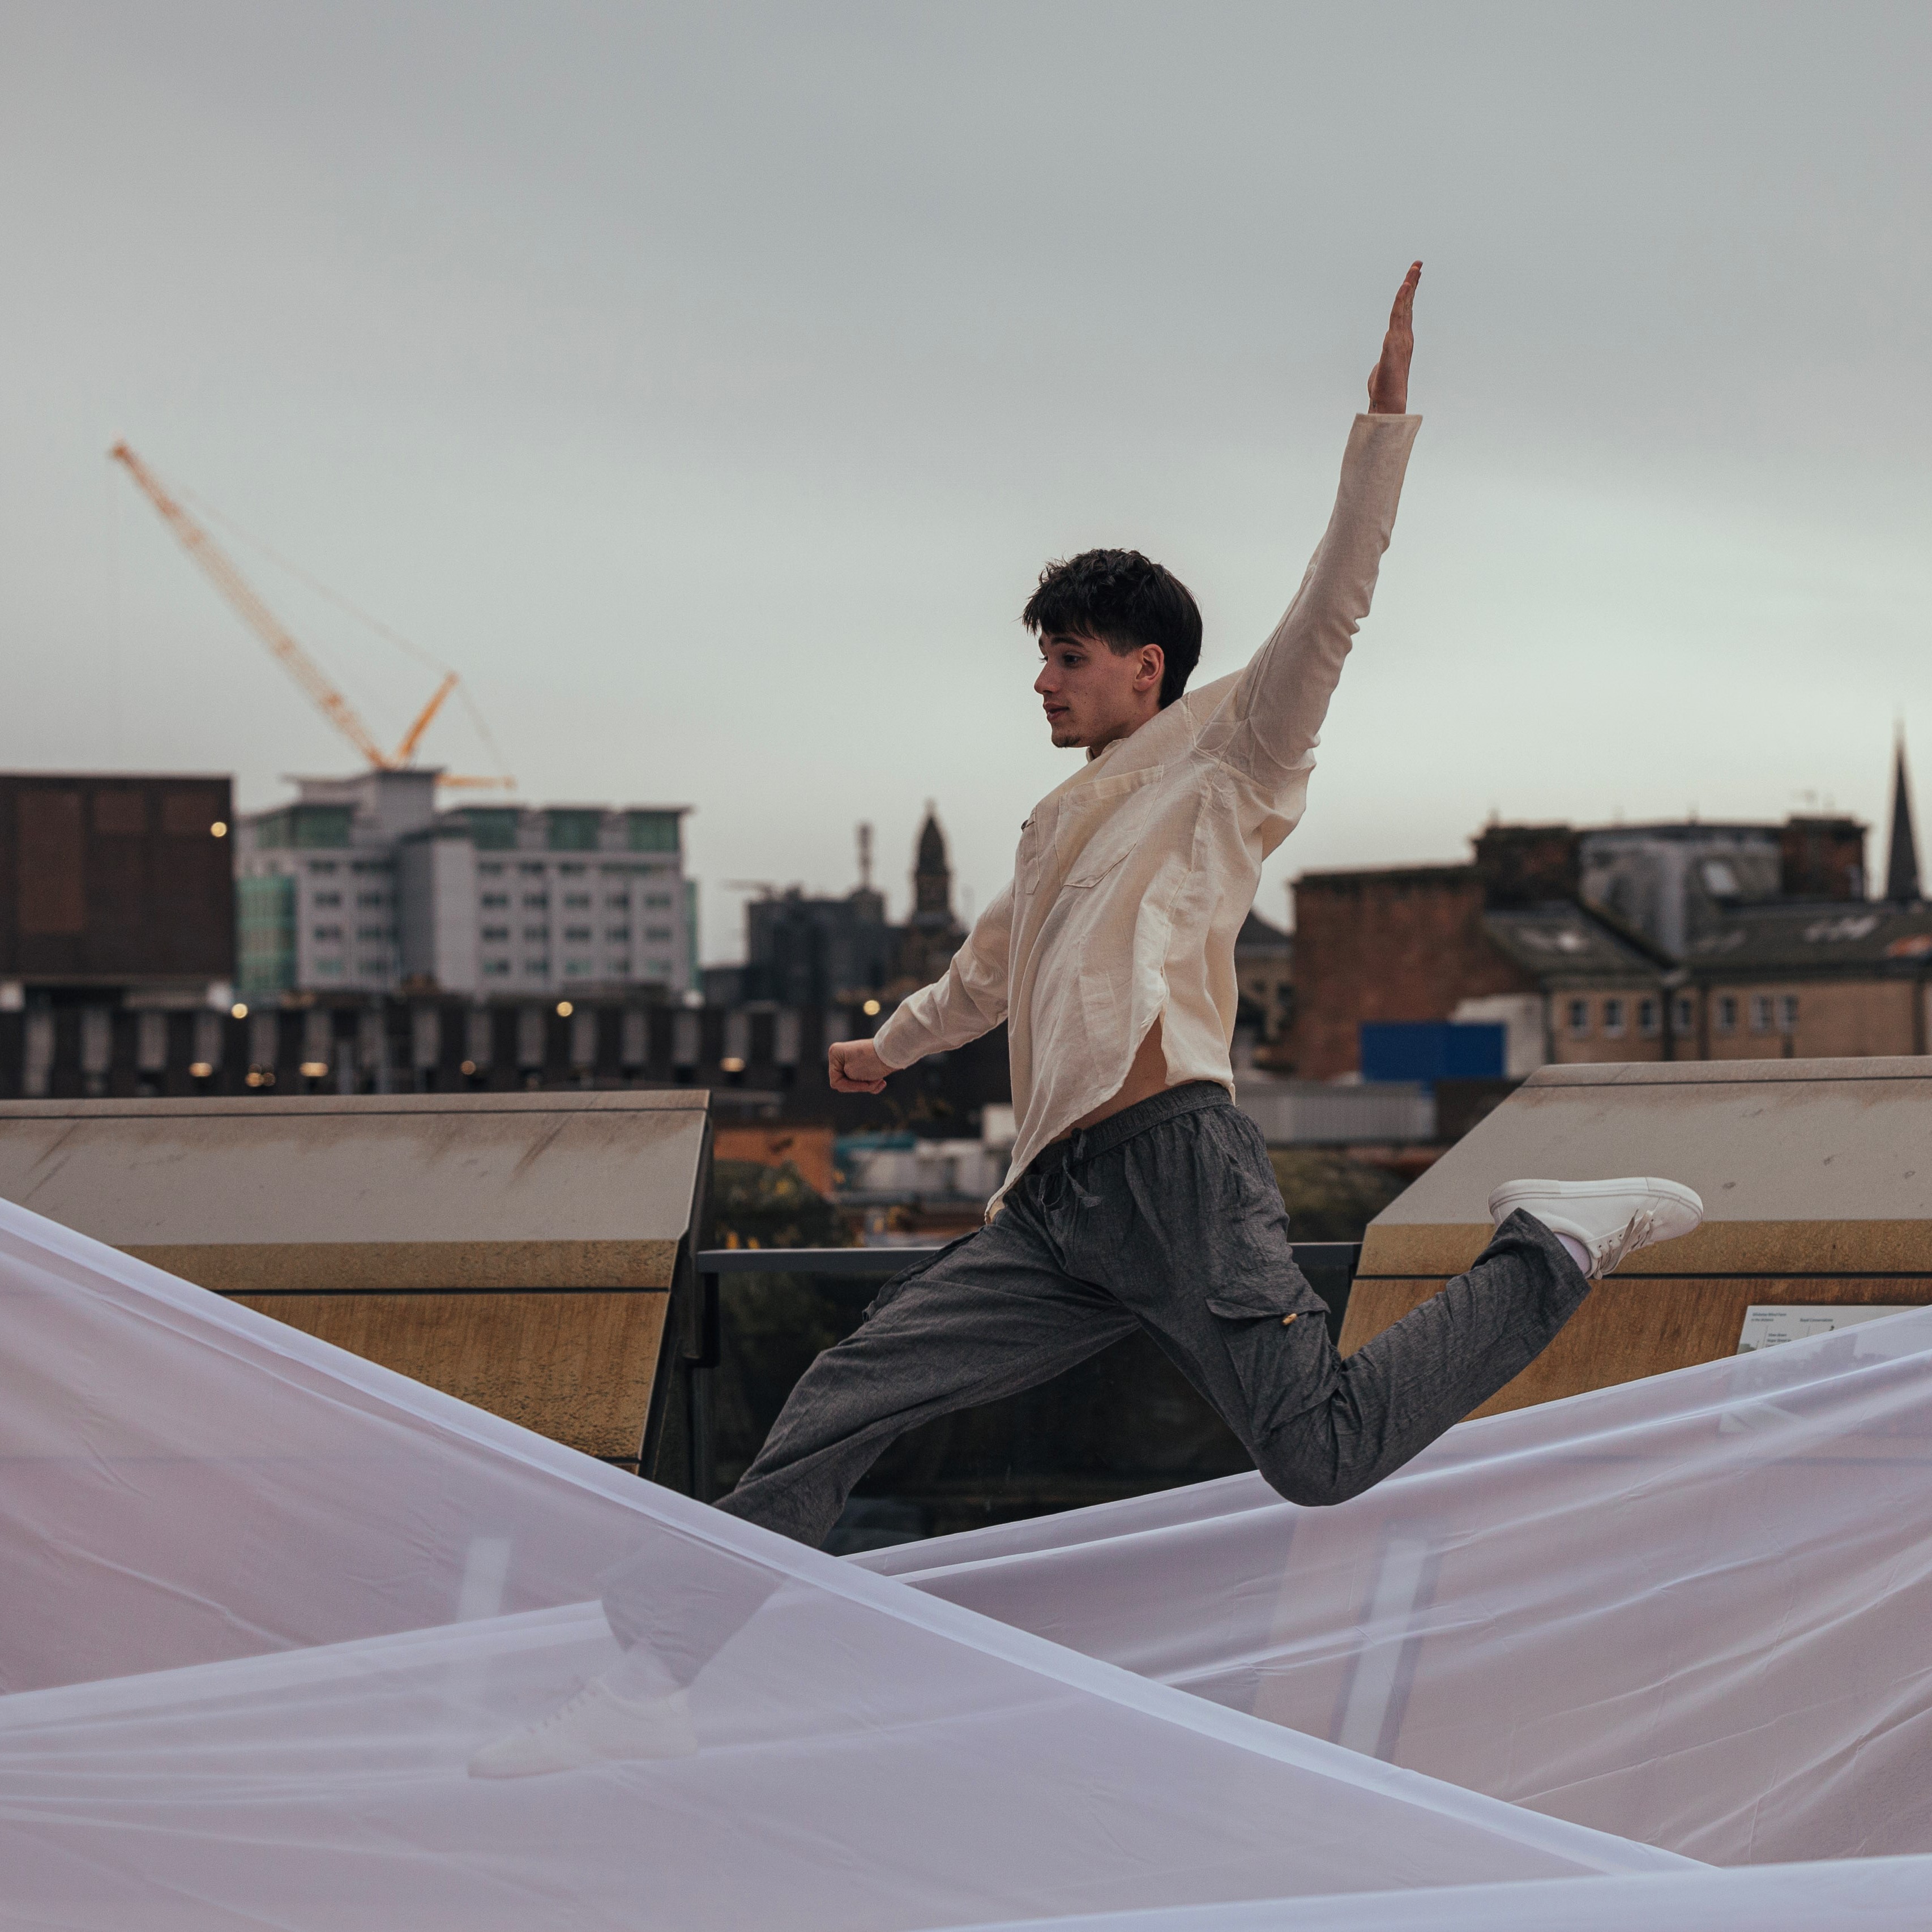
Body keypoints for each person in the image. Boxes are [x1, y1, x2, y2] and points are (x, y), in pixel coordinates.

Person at [471, 263, 1704, 1777]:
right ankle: (651, 1681)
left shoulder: (1227, 759)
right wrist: (895, 1043)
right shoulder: (1057, 823)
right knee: (849, 1385)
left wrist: (1380, 429)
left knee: (1314, 1454)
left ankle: (1551, 1247)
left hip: (1173, 1164)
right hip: (1053, 1211)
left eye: (1066, 655)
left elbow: (1331, 612)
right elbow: (989, 972)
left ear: (1146, 664)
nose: (1043, 680)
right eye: (1040, 656)